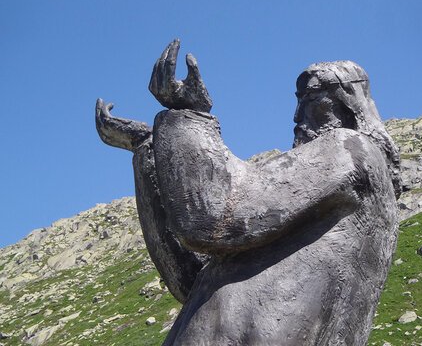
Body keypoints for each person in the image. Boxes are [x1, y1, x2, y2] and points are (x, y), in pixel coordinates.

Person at [96, 40, 400, 346]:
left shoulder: (349, 149)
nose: (296, 116)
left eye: (309, 98)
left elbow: (212, 216)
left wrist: (189, 114)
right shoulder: (313, 201)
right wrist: (147, 148)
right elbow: (188, 277)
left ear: (348, 101)